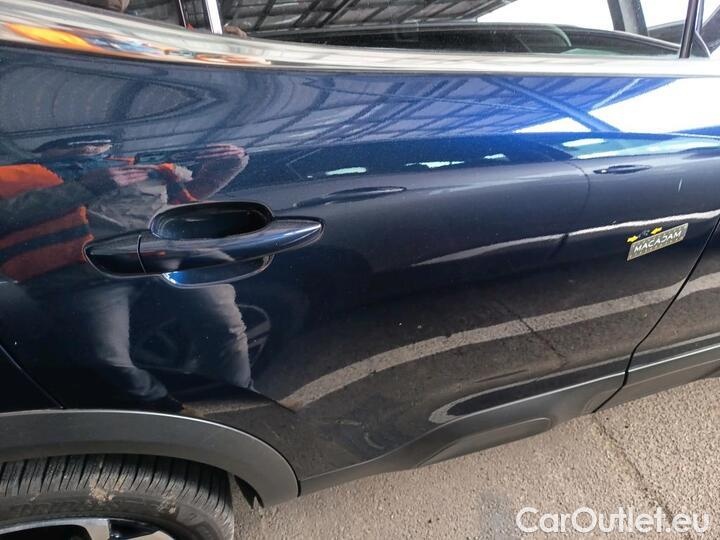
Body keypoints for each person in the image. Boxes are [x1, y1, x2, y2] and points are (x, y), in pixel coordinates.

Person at [0, 137, 253, 410]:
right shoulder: (10, 173)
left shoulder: (134, 161)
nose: (91, 145)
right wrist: (83, 188)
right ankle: (165, 409)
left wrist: (225, 167)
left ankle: (237, 402)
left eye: (98, 142)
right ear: (45, 145)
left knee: (225, 326)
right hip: (81, 274)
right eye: (77, 141)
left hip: (165, 250)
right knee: (104, 360)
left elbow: (184, 199)